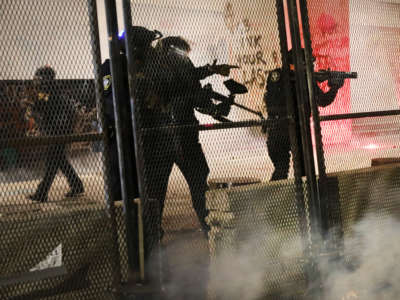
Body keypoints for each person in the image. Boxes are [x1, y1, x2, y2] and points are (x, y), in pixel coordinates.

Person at [263, 50, 345, 181]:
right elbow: (323, 100)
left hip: (279, 130)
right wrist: (334, 86)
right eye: (306, 63)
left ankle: (282, 196)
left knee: (284, 169)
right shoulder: (299, 79)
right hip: (291, 130)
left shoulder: (279, 76)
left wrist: (325, 83)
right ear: (296, 64)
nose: (310, 66)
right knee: (296, 170)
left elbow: (321, 101)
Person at [27, 66, 84, 202]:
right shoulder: (51, 90)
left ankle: (42, 192)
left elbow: (43, 107)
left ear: (45, 79)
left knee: (52, 162)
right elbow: (43, 106)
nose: (37, 81)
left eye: (40, 78)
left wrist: (32, 107)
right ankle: (77, 185)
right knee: (60, 161)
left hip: (57, 130)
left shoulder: (50, 92)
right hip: (59, 130)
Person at [100, 29, 142, 202]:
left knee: (129, 169)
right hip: (118, 126)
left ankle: (132, 208)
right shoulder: (111, 66)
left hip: (128, 126)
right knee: (120, 169)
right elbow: (109, 99)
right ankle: (122, 209)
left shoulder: (128, 65)